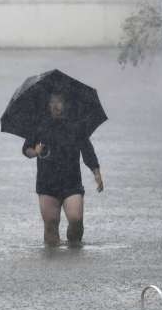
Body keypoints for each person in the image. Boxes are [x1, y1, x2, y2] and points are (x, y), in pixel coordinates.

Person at [23, 92, 104, 246]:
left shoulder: (76, 125)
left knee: (76, 220)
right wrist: (36, 152)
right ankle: (53, 263)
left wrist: (96, 173)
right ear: (48, 105)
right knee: (51, 224)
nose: (55, 106)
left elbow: (87, 150)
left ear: (66, 105)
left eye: (59, 102)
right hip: (47, 184)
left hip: (71, 183)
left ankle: (74, 250)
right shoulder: (40, 125)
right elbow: (26, 150)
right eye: (52, 102)